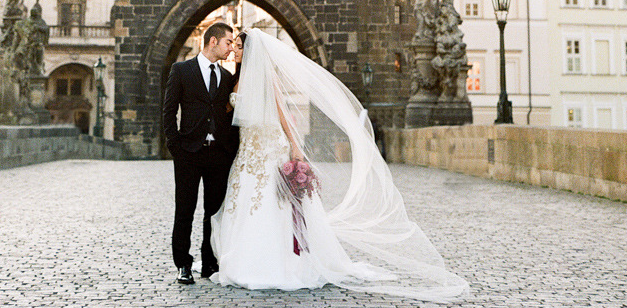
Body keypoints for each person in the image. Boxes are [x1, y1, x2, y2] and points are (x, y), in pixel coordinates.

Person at [210, 29, 470, 301]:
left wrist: (295, 147)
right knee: (244, 204)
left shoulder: (266, 77)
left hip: (270, 147)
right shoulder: (236, 79)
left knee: (272, 204)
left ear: (251, 50)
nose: (235, 51)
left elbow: (282, 113)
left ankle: (281, 264)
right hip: (248, 151)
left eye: (239, 46)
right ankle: (244, 260)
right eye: (234, 46)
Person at [163, 22, 238, 285]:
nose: (231, 48)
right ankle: (183, 264)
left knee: (213, 211)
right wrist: (175, 145)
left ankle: (209, 262)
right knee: (184, 209)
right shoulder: (181, 70)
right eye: (229, 42)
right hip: (189, 153)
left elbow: (232, 118)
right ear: (213, 41)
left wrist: (231, 148)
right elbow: (169, 110)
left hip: (219, 154)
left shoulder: (227, 78)